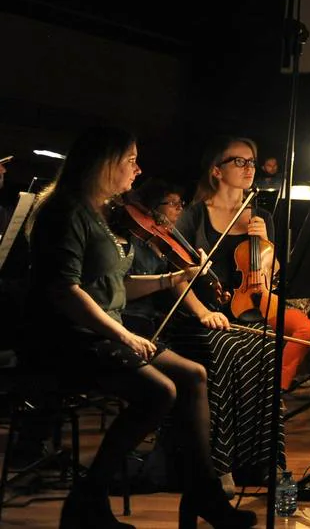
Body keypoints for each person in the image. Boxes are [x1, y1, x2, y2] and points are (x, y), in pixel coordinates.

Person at [21, 127, 255, 529]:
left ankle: (203, 492)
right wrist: (124, 335)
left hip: (103, 332)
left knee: (193, 374)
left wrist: (172, 277)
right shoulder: (65, 212)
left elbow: (117, 288)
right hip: (69, 339)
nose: (138, 168)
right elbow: (64, 291)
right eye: (130, 160)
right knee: (159, 391)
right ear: (103, 163)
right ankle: (88, 498)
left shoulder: (101, 213)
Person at [174, 137, 292, 486]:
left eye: (251, 162)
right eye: (239, 162)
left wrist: (264, 241)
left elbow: (270, 273)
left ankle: (263, 461)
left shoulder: (262, 216)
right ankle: (219, 465)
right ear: (216, 170)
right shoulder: (194, 216)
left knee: (269, 346)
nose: (248, 168)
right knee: (224, 349)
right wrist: (201, 313)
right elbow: (177, 278)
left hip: (245, 315)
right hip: (200, 316)